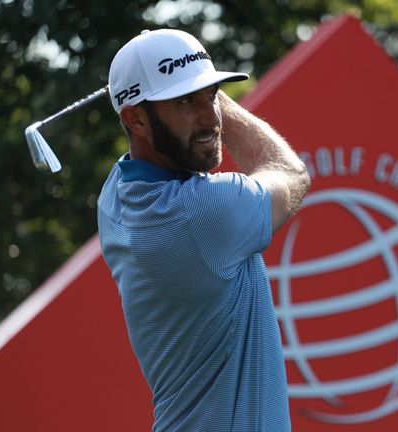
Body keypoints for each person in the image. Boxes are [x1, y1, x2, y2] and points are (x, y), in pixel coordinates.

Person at [97, 29, 310, 431]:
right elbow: (290, 172)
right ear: (136, 119)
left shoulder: (115, 196)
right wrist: (218, 97)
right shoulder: (201, 215)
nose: (211, 116)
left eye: (212, 96)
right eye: (184, 102)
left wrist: (189, 86)